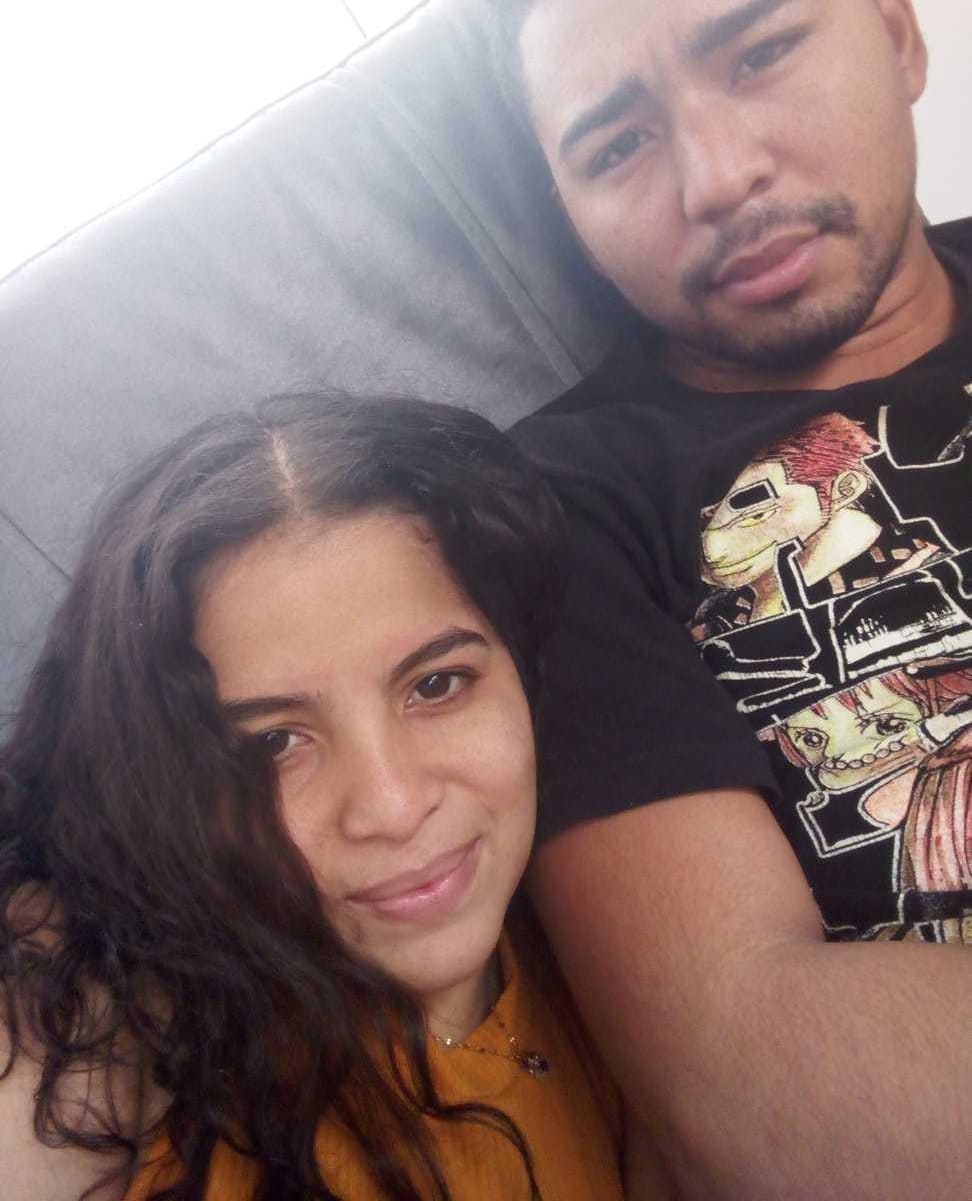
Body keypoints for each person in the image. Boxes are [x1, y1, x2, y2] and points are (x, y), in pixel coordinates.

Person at [476, 0, 972, 1197]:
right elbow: (770, 1090)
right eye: (617, 144)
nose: (717, 179)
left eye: (759, 54)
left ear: (898, 33)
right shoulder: (550, 510)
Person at [0, 392, 658, 1201]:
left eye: (438, 684)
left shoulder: (615, 916)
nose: (392, 807)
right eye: (272, 744)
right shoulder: (103, 1019)